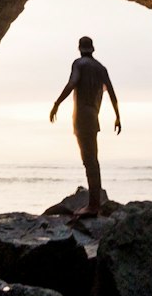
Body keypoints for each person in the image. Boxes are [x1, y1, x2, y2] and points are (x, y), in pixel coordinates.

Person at [49, 35, 121, 217]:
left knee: (89, 160)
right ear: (93, 49)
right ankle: (94, 202)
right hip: (93, 117)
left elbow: (72, 82)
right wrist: (117, 117)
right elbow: (112, 93)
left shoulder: (79, 64)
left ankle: (93, 205)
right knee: (92, 160)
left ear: (80, 49)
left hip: (81, 116)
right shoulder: (101, 68)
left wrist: (57, 103)